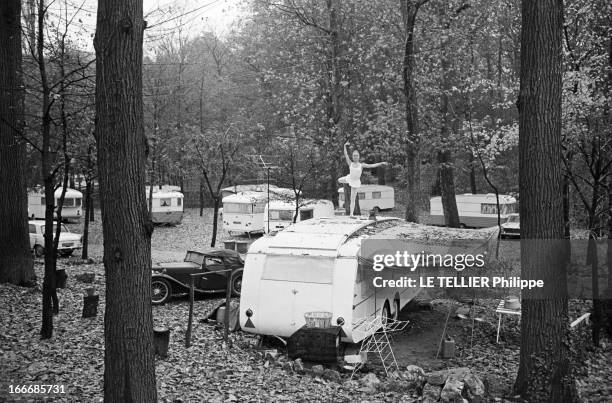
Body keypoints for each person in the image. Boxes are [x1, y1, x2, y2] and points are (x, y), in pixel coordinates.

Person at [338, 141, 388, 216]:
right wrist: (345, 146)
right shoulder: (350, 163)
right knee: (339, 180)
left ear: (359, 157)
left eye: (356, 156)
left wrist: (381, 163)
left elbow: (372, 165)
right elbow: (346, 154)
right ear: (353, 156)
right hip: (349, 178)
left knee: (353, 199)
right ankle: (348, 182)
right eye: (354, 155)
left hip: (355, 182)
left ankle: (351, 214)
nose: (355, 157)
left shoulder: (362, 165)